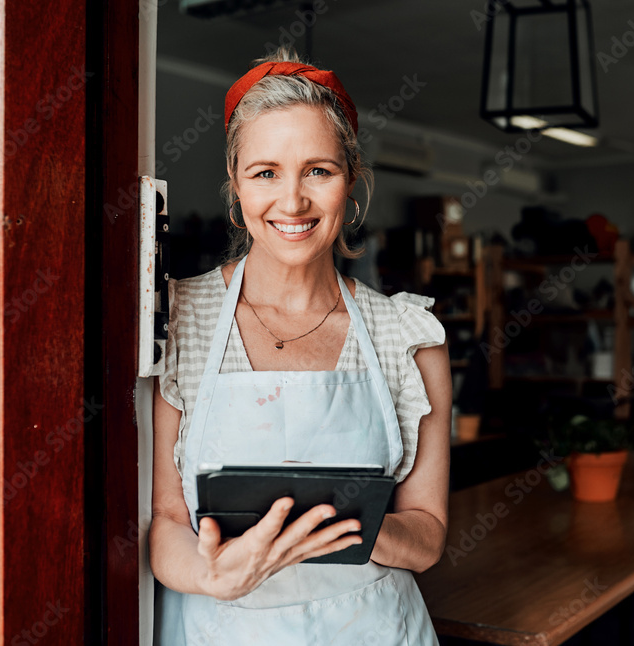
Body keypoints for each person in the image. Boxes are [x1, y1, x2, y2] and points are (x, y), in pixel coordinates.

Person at [150, 48, 451, 644]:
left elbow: (427, 535)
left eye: (319, 170)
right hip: (220, 626)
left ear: (352, 181)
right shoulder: (177, 319)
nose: (292, 203)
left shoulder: (406, 338)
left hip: (371, 627)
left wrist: (345, 527)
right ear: (235, 185)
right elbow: (165, 522)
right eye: (266, 173)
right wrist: (213, 573)